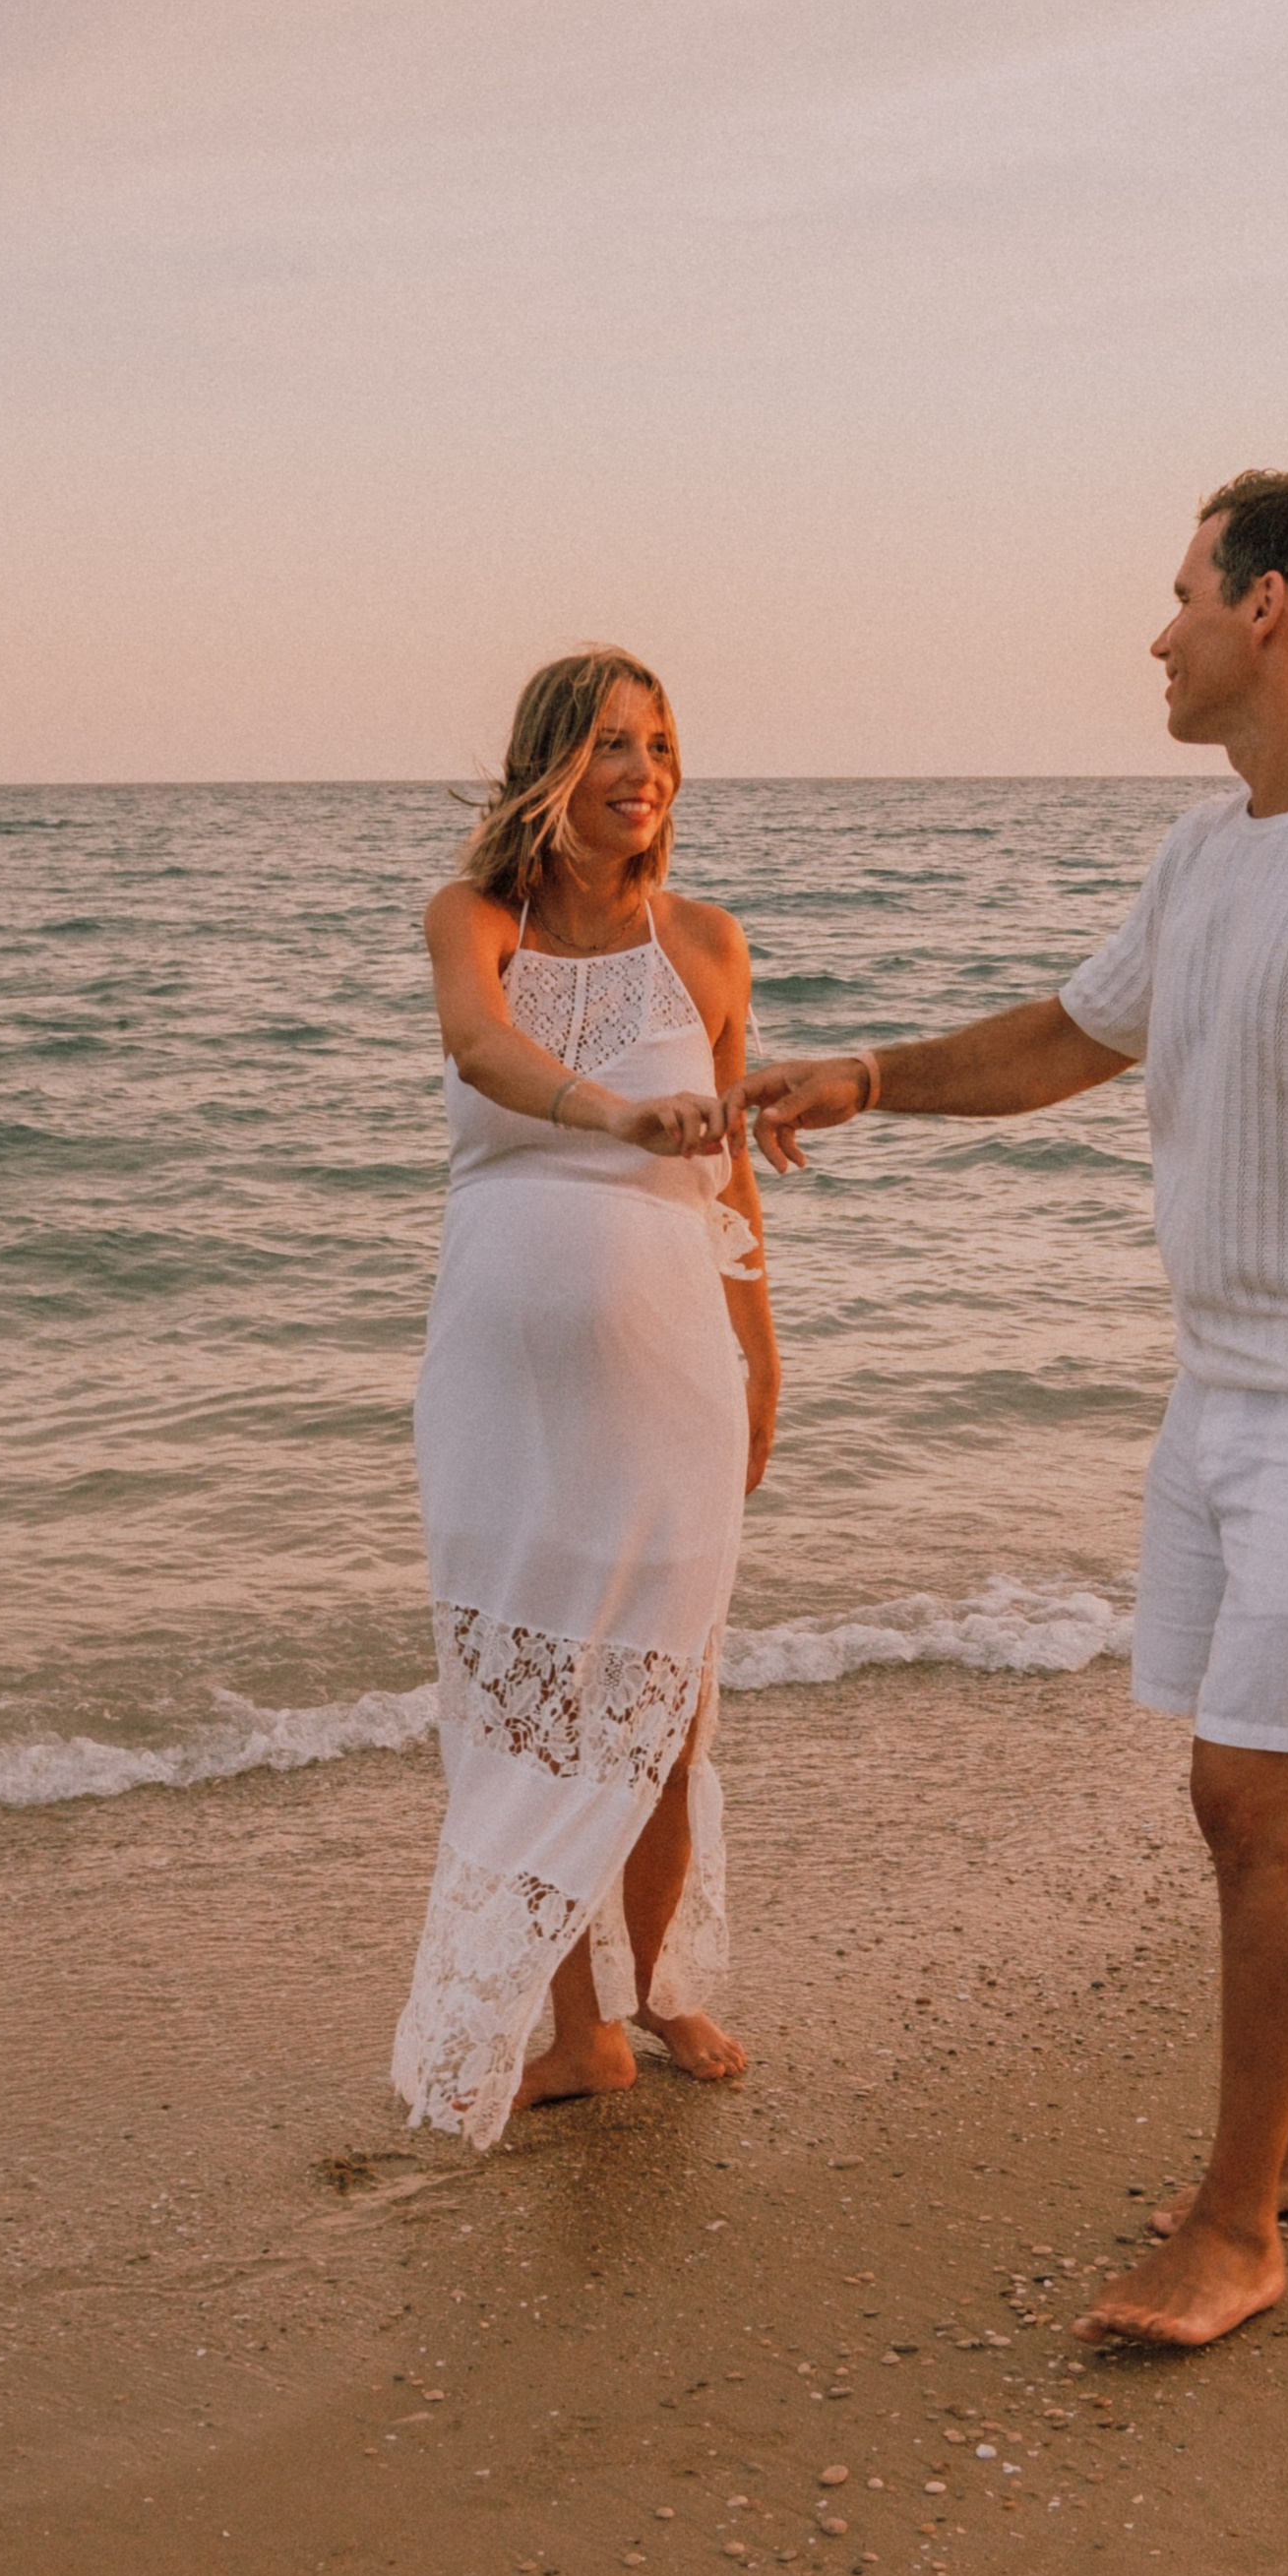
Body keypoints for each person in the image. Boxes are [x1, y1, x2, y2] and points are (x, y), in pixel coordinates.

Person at [737, 474, 1288, 2349]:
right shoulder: (1208, 852)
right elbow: (1077, 1036)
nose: (1156, 631)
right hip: (1224, 1389)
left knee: (1250, 1789)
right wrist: (864, 1077)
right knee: (1277, 1775)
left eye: (1180, 593)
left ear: (1268, 608)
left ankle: (1239, 2225)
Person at [392, 646, 778, 2150]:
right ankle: (575, 2033)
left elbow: (735, 1177)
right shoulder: (475, 921)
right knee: (531, 1700)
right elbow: (480, 1048)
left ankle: (666, 1979)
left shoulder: (707, 946)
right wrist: (617, 1110)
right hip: (499, 1380)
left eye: (665, 743)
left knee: (666, 1705)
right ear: (553, 760)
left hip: (674, 1369)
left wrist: (764, 1359)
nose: (647, 771)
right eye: (615, 743)